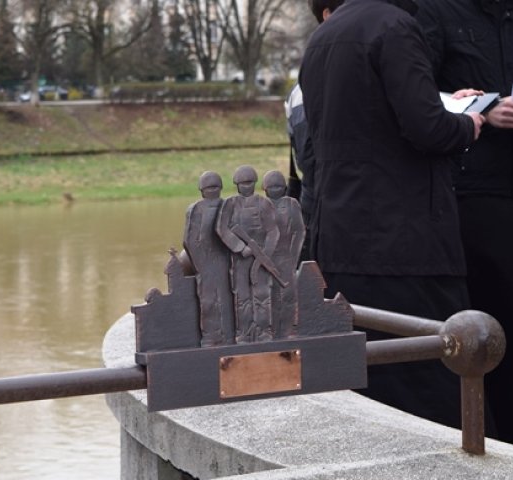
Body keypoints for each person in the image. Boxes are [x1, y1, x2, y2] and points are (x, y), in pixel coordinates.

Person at [299, 0, 484, 428]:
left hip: (340, 238)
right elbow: (427, 128)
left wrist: (436, 106)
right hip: (403, 243)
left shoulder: (322, 37)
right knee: (433, 379)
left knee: (370, 384)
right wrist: (468, 125)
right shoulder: (396, 26)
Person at [416, 0, 513, 452]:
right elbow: (424, 93)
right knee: (477, 337)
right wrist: (489, 110)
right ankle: (484, 447)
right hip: (470, 198)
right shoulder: (435, 12)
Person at [285, 0, 345, 261]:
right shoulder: (319, 83)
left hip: (314, 214)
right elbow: (313, 163)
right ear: (328, 15)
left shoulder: (299, 88)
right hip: (332, 216)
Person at [215, 166, 280, 343]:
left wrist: (265, 253)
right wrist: (240, 247)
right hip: (240, 260)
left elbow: (273, 231)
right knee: (242, 296)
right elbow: (222, 228)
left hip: (262, 259)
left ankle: (264, 331)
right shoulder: (230, 204)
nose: (246, 186)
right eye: (243, 183)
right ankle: (243, 332)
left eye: (250, 182)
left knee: (262, 295)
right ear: (236, 184)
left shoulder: (264, 204)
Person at [183, 171, 234, 346]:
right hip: (205, 262)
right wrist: (201, 264)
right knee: (208, 300)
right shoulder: (196, 209)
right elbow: (190, 240)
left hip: (226, 260)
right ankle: (211, 336)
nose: (212, 190)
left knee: (228, 297)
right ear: (201, 189)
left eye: (215, 187)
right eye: (208, 187)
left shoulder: (227, 205)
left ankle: (229, 334)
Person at [262, 170, 305, 338]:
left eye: (278, 186)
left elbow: (299, 231)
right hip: (266, 258)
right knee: (268, 294)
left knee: (287, 294)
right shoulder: (260, 206)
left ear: (285, 187)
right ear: (264, 188)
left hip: (286, 257)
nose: (275, 190)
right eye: (271, 187)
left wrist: (293, 255)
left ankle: (288, 328)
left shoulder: (291, 204)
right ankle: (270, 328)